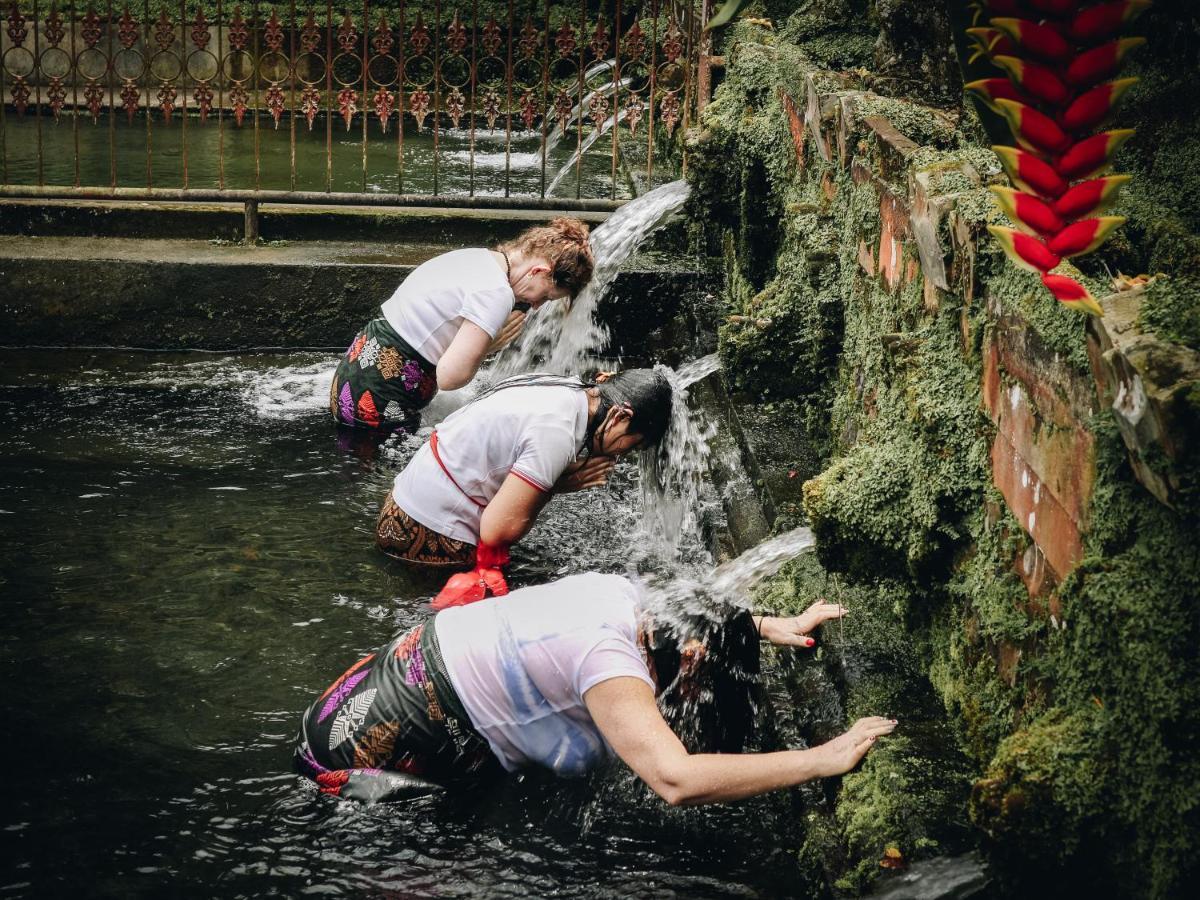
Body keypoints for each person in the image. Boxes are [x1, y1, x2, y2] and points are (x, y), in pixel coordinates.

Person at [293, 572, 898, 804]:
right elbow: (676, 781)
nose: (695, 695)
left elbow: (694, 613)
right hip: (368, 759)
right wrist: (822, 757)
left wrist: (765, 626)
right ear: (691, 658)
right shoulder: (610, 667)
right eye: (703, 678)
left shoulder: (624, 594)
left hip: (366, 685)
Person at [374, 370, 673, 606]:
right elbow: (496, 530)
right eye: (631, 446)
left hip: (403, 503)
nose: (619, 456)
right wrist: (561, 484)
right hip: (430, 534)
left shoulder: (565, 387)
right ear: (622, 416)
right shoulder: (558, 431)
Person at [330, 218, 594, 434]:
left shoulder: (478, 258)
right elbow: (449, 377)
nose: (537, 306)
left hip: (354, 373)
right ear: (539, 271)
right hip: (380, 399)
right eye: (546, 296)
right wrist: (490, 345)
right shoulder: (496, 293)